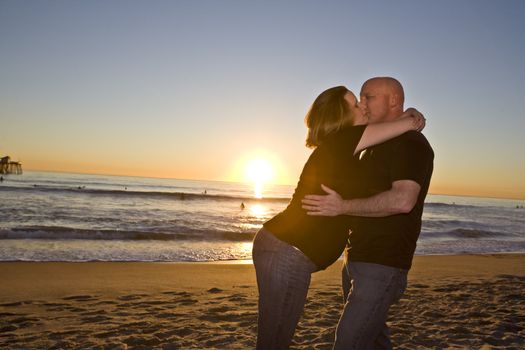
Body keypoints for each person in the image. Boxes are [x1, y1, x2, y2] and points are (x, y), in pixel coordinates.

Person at [252, 85, 425, 349]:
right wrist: (411, 116)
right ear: (341, 117)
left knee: (276, 338)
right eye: (356, 104)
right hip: (286, 251)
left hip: (285, 251)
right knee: (274, 341)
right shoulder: (343, 141)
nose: (363, 107)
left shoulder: (346, 150)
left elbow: (397, 126)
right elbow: (403, 124)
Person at [302, 77, 434, 349]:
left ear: (394, 100)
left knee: (349, 342)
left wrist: (342, 207)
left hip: (383, 263)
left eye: (368, 97)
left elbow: (403, 200)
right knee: (373, 338)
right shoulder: (372, 144)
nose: (362, 104)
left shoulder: (411, 143)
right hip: (356, 259)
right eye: (360, 98)